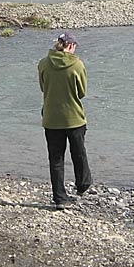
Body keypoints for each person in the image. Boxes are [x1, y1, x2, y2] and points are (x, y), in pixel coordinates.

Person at [38, 30, 92, 210]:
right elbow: (82, 92)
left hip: (51, 118)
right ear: (70, 46)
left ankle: (59, 198)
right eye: (75, 47)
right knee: (79, 153)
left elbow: (42, 87)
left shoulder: (43, 63)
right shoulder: (77, 65)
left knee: (56, 158)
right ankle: (83, 184)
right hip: (74, 118)